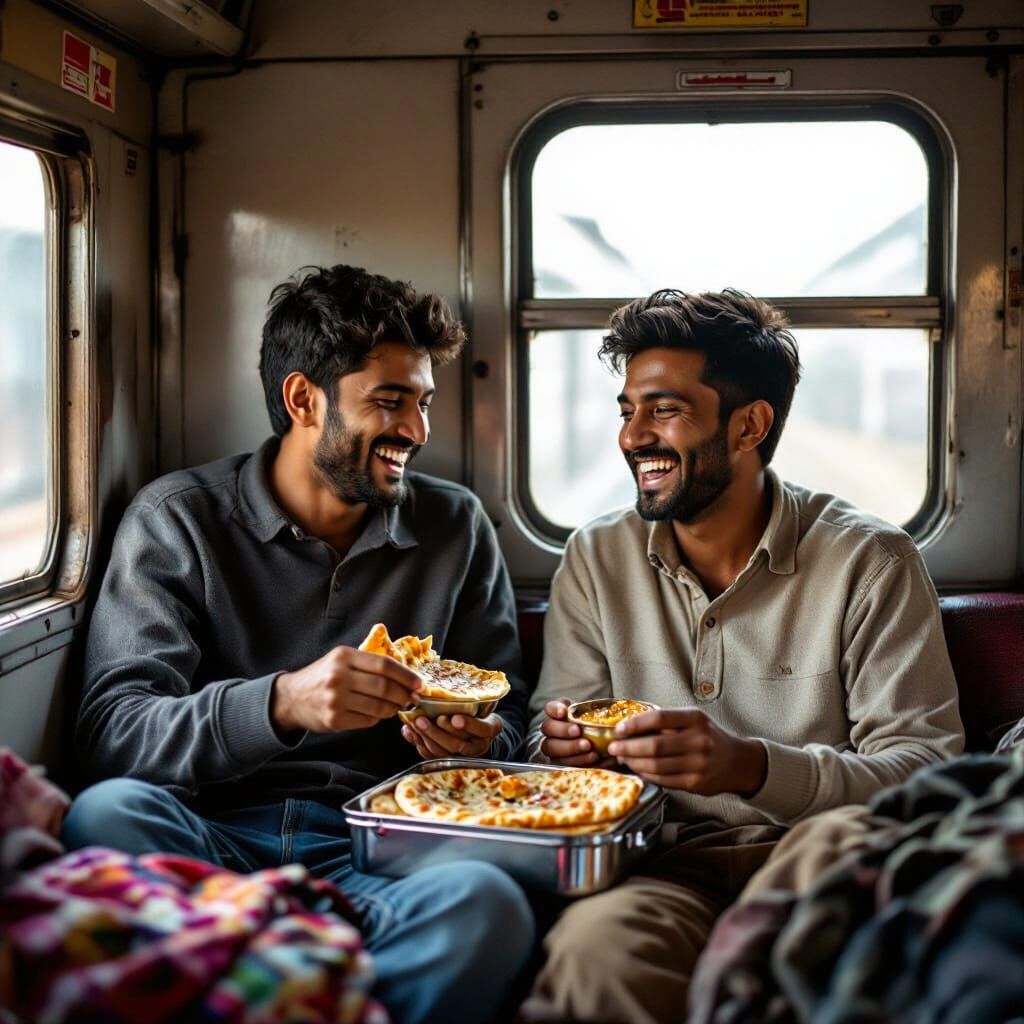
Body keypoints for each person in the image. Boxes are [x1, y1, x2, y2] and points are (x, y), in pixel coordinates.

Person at [62, 265, 535, 1024]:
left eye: (422, 403)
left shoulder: (456, 527)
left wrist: (472, 740)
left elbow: (510, 721)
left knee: (487, 905)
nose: (416, 429)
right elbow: (114, 736)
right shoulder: (176, 520)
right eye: (389, 401)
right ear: (302, 400)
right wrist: (281, 704)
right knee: (106, 815)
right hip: (209, 840)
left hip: (383, 849)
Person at [523, 288, 964, 1024]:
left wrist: (751, 768)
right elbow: (546, 744)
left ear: (749, 425)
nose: (633, 437)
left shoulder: (872, 560)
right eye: (627, 410)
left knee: (828, 929)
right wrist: (560, 746)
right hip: (658, 867)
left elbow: (925, 774)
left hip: (815, 862)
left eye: (663, 409)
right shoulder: (595, 560)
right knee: (598, 951)